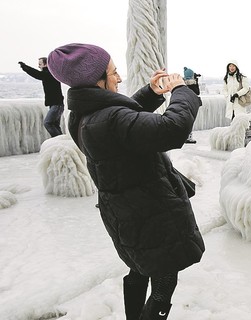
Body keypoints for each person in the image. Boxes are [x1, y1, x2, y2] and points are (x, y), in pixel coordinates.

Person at [47, 43, 205, 319]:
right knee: (164, 281)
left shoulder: (82, 115)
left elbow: (121, 122)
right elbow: (172, 129)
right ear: (96, 81)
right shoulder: (108, 119)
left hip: (126, 213)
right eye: (113, 72)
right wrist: (182, 90)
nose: (119, 78)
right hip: (151, 213)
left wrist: (151, 93)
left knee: (139, 268)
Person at [18, 57, 65, 137]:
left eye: (40, 64)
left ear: (46, 64)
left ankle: (60, 141)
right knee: (55, 125)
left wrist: (25, 67)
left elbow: (37, 74)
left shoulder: (49, 74)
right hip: (56, 104)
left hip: (57, 105)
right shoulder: (50, 73)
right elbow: (39, 74)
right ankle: (60, 141)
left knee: (48, 123)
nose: (38, 66)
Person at [183, 66, 202, 144]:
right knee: (190, 121)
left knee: (186, 121)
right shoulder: (192, 84)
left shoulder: (183, 83)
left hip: (184, 104)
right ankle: (188, 137)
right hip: (190, 104)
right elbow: (197, 92)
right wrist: (196, 81)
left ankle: (185, 136)